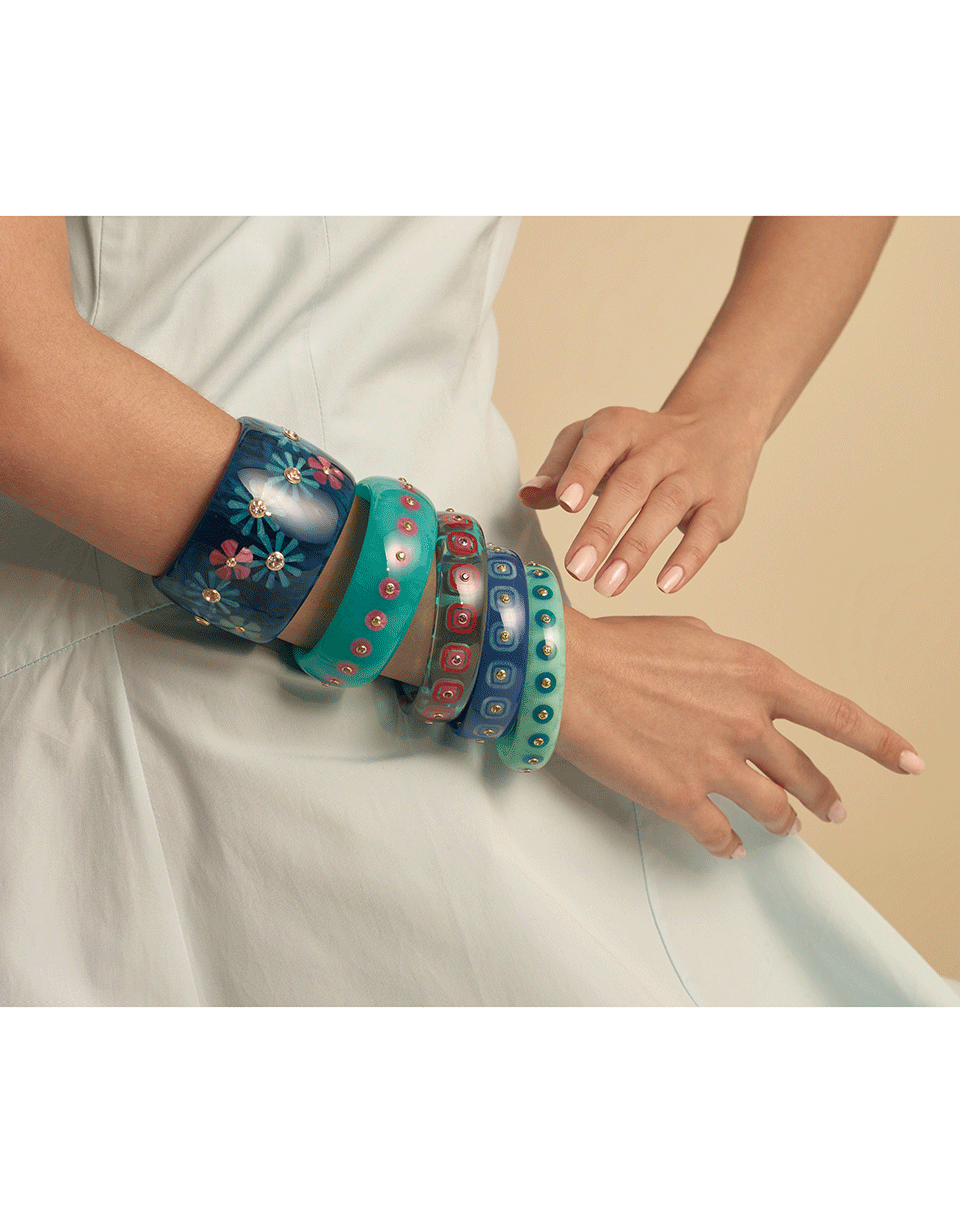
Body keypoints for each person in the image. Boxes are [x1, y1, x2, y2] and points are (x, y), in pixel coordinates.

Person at [0, 215, 953, 1006]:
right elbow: (20, 371)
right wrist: (543, 656)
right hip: (154, 691)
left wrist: (728, 408)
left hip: (500, 683)